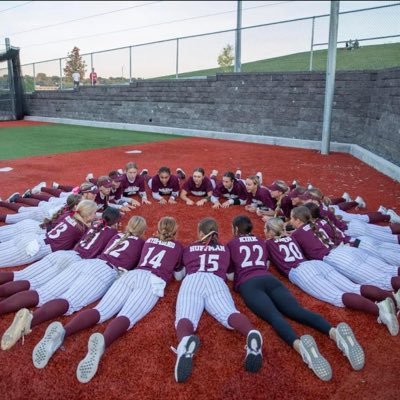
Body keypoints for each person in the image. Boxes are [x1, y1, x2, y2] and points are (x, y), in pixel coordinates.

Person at [32, 216, 184, 384]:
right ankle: (102, 343)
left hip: (132, 275)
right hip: (151, 282)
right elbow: (178, 275)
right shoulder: (178, 247)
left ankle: (64, 332)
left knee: (100, 310)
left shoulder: (148, 242)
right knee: (126, 316)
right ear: (175, 231)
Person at [228, 215, 365, 380]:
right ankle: (334, 333)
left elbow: (229, 274)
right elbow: (266, 265)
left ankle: (302, 348)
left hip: (249, 284)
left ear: (236, 229)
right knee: (298, 311)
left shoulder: (232, 244)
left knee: (274, 317)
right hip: (270, 280)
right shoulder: (260, 241)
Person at [0, 215, 147, 350]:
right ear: (142, 231)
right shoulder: (140, 242)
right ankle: (29, 321)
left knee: (42, 292)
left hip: (83, 262)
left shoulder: (114, 234)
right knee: (68, 301)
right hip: (103, 271)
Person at [265, 216, 399, 336]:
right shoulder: (292, 237)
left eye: (266, 229)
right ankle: (391, 298)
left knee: (337, 296)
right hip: (318, 263)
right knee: (354, 288)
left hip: (301, 271)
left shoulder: (268, 243)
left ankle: (380, 311)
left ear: (271, 231)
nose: (264, 231)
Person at [173, 217, 263, 383]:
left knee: (185, 317)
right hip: (216, 281)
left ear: (200, 233)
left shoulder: (190, 247)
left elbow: (180, 275)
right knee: (229, 313)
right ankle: (251, 332)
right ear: (216, 233)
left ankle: (185, 342)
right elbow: (230, 275)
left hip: (194, 280)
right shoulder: (224, 249)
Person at [0, 207, 121, 299]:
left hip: (41, 241)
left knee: (20, 275)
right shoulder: (95, 230)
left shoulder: (76, 217)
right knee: (34, 285)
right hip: (65, 257)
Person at [0, 200, 97, 268]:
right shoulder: (82, 229)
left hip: (34, 238)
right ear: (87, 214)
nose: (95, 215)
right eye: (94, 213)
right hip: (38, 248)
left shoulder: (69, 215)